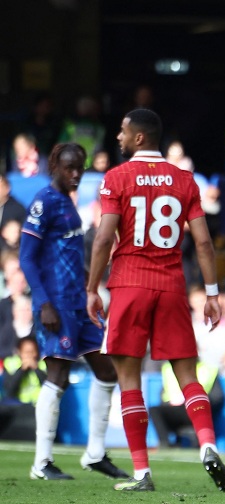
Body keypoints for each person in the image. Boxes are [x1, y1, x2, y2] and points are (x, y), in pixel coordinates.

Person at [86, 108, 225, 492]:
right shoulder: (184, 180)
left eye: (122, 131)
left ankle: (142, 473)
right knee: (187, 375)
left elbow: (102, 239)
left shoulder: (116, 177)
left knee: (128, 378)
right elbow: (203, 242)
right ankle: (207, 444)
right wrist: (212, 293)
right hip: (171, 285)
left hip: (129, 284)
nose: (118, 137)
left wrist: (91, 289)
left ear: (139, 137)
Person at [19, 142, 128, 481]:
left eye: (80, 167)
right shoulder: (44, 202)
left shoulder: (68, 201)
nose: (76, 174)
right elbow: (27, 257)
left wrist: (90, 287)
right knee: (58, 376)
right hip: (56, 304)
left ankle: (95, 453)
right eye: (69, 168)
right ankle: (41, 463)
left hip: (79, 302)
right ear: (54, 166)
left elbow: (67, 255)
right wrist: (44, 303)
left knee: (107, 370)